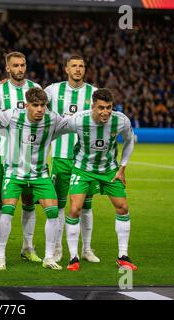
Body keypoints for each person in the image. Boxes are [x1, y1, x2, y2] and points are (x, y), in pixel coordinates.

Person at [0, 87, 65, 271]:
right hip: (14, 173)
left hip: (40, 174)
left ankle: (49, 257)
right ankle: (1, 256)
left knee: (53, 212)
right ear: (26, 105)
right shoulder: (12, 115)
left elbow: (72, 122)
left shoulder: (52, 118)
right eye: (35, 105)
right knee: (7, 211)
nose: (40, 109)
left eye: (43, 105)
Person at [60, 88, 137, 272]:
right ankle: (73, 257)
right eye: (101, 108)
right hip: (82, 169)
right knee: (74, 209)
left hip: (109, 170)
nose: (105, 112)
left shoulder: (121, 120)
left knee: (123, 207)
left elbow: (129, 141)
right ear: (93, 106)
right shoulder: (78, 119)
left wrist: (122, 167)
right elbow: (56, 130)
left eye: (108, 108)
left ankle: (123, 256)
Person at [44, 54, 100, 263]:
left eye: (81, 66)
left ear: (85, 70)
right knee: (58, 205)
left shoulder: (93, 93)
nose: (78, 69)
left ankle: (86, 249)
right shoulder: (53, 90)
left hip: (85, 160)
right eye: (74, 66)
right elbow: (32, 100)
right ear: (66, 69)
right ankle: (57, 248)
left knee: (86, 206)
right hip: (61, 156)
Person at [0, 52, 42, 264]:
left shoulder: (36, 89)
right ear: (8, 68)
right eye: (15, 66)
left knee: (29, 201)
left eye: (23, 65)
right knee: (0, 201)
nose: (20, 69)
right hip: (5, 154)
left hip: (31, 156)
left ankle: (28, 247)